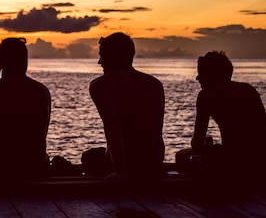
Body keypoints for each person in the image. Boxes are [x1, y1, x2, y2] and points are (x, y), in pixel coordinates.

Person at [87, 32, 165, 183]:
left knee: (89, 157)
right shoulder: (154, 84)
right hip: (153, 163)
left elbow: (113, 128)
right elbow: (156, 131)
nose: (100, 62)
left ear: (113, 56)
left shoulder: (100, 85)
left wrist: (120, 171)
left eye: (102, 56)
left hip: (129, 165)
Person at [177, 51, 266, 178]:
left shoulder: (206, 95)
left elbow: (197, 142)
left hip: (236, 161)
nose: (198, 78)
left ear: (213, 73)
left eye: (201, 72)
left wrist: (201, 149)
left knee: (181, 156)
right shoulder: (248, 89)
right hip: (261, 158)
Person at [0, 37, 52, 180]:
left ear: (0, 60)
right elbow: (40, 135)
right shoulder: (40, 91)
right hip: (35, 166)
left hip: (0, 166)